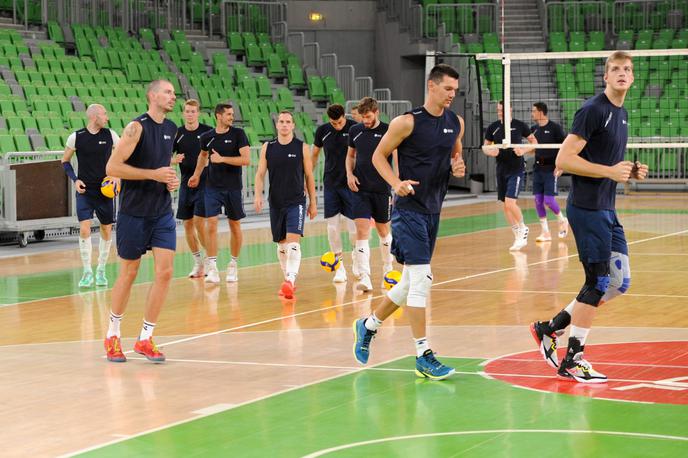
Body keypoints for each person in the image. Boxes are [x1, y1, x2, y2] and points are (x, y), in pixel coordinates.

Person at [530, 51, 648, 383]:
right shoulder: (593, 110)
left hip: (606, 208)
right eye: (615, 69)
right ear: (605, 76)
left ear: (632, 77)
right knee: (597, 282)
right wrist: (610, 172)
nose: (622, 74)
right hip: (586, 208)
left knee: (617, 282)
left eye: (627, 69)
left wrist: (628, 172)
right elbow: (566, 159)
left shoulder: (620, 113)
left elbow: (604, 162)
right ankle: (573, 358)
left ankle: (548, 328)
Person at [352, 64, 466, 380]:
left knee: (406, 283)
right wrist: (395, 183)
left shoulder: (456, 123)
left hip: (433, 209)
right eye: (447, 89)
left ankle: (368, 325)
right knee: (421, 280)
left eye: (455, 90)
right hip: (408, 210)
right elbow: (377, 156)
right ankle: (422, 353)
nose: (452, 95)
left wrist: (458, 168)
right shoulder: (406, 123)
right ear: (431, 86)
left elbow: (455, 157)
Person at [103, 79, 179, 363]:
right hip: (133, 212)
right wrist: (153, 175)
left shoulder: (171, 129)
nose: (173, 97)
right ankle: (112, 334)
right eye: (168, 92)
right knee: (129, 273)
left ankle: (145, 338)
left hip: (161, 212)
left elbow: (161, 166)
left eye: (174, 93)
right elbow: (112, 167)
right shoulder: (136, 128)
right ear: (152, 95)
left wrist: (170, 179)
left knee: (165, 272)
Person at [254, 111, 317, 299]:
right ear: (277, 125)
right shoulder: (268, 147)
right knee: (281, 245)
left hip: (296, 201)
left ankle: (290, 280)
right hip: (276, 202)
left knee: (293, 243)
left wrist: (313, 202)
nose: (284, 125)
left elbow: (309, 175)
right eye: (281, 121)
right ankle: (287, 280)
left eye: (288, 122)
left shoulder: (301, 147)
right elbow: (259, 174)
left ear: (293, 125)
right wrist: (258, 195)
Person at [189, 103, 250, 284]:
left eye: (232, 114)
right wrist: (196, 175)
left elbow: (246, 159)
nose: (232, 117)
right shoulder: (207, 137)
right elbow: (202, 156)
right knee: (212, 225)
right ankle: (213, 268)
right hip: (212, 187)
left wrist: (222, 159)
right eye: (229, 114)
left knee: (234, 226)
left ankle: (233, 264)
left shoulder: (238, 134)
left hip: (233, 188)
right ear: (218, 116)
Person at [62, 104, 120, 288]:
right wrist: (75, 179)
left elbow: (121, 157)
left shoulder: (111, 135)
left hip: (105, 191)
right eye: (104, 114)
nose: (107, 117)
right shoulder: (76, 137)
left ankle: (101, 271)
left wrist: (116, 176)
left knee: (106, 229)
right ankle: (87, 272)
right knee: (85, 229)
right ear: (94, 116)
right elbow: (65, 161)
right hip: (85, 191)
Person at [345, 96, 395, 292]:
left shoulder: (388, 130)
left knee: (384, 232)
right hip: (360, 188)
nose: (365, 121)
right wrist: (349, 174)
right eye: (363, 117)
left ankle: (388, 270)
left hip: (382, 189)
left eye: (368, 116)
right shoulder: (355, 131)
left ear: (376, 113)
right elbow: (350, 156)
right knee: (361, 231)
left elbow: (396, 159)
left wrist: (396, 182)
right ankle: (365, 276)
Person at [312, 104, 359, 283]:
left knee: (353, 228)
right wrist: (307, 177)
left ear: (344, 117)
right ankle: (339, 267)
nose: (337, 126)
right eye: (334, 123)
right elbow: (315, 155)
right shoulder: (323, 131)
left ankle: (356, 254)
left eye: (339, 122)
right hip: (331, 184)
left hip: (351, 184)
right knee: (332, 227)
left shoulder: (354, 128)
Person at [483, 101, 537, 251]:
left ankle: (523, 228)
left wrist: (523, 150)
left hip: (516, 169)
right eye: (499, 110)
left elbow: (534, 143)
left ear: (510, 109)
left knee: (510, 203)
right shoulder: (493, 127)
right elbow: (485, 146)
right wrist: (490, 151)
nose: (500, 113)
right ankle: (517, 235)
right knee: (505, 206)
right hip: (501, 169)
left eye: (503, 110)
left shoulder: (520, 125)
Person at [171, 99, 213, 277]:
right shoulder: (178, 133)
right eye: (187, 111)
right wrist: (173, 160)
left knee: (198, 222)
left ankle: (211, 261)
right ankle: (198, 263)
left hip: (205, 183)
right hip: (186, 184)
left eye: (193, 111)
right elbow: (166, 156)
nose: (190, 114)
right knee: (187, 224)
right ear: (183, 113)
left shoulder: (207, 131)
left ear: (198, 113)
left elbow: (215, 155)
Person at [530, 102, 569, 242]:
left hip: (551, 169)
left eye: (533, 111)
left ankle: (562, 220)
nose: (531, 113)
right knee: (538, 201)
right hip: (538, 168)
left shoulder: (555, 128)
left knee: (549, 200)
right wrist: (519, 151)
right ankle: (545, 232)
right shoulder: (533, 129)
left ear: (541, 112)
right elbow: (532, 148)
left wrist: (561, 166)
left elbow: (565, 148)